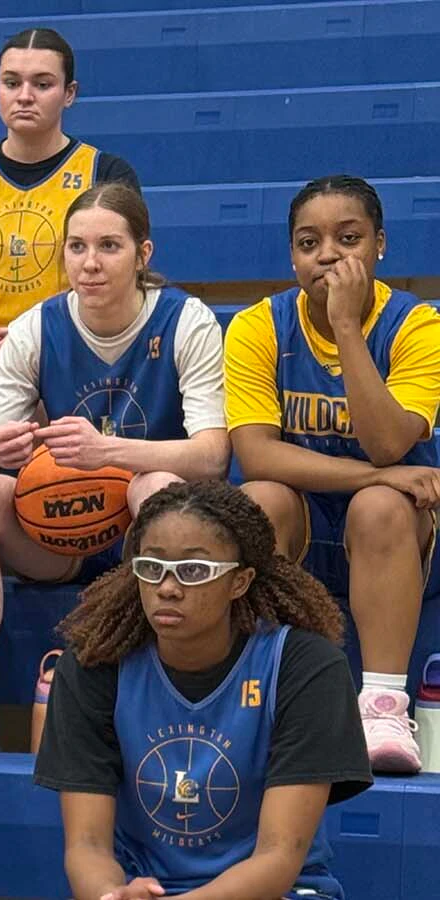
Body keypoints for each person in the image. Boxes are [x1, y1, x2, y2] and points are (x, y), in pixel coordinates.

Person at [0, 183, 228, 752]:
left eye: (108, 246)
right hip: (59, 535)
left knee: (160, 486)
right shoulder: (36, 327)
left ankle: (161, 676)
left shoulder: (185, 320)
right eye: (76, 247)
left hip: (146, 528)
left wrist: (108, 452)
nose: (90, 264)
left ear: (142, 254)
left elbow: (212, 455)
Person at [35, 481, 372, 899]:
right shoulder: (94, 667)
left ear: (240, 581)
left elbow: (278, 856)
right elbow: (87, 846)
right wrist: (109, 893)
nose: (168, 587)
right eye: (152, 568)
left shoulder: (303, 667)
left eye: (194, 571)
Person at [224, 174, 440, 774]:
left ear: (380, 246)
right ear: (292, 254)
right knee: (259, 498)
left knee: (380, 507)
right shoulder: (257, 327)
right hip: (307, 525)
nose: (327, 255)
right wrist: (377, 475)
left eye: (348, 238)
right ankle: (255, 694)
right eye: (308, 241)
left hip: (400, 537)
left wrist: (346, 325)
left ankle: (381, 706)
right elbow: (259, 455)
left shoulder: (419, 325)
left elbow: (390, 441)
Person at [0, 27, 140, 372]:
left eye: (43, 84)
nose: (24, 96)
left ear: (69, 93)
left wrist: (31, 341)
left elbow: (124, 283)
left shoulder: (106, 173)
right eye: (12, 83)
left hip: (76, 361)